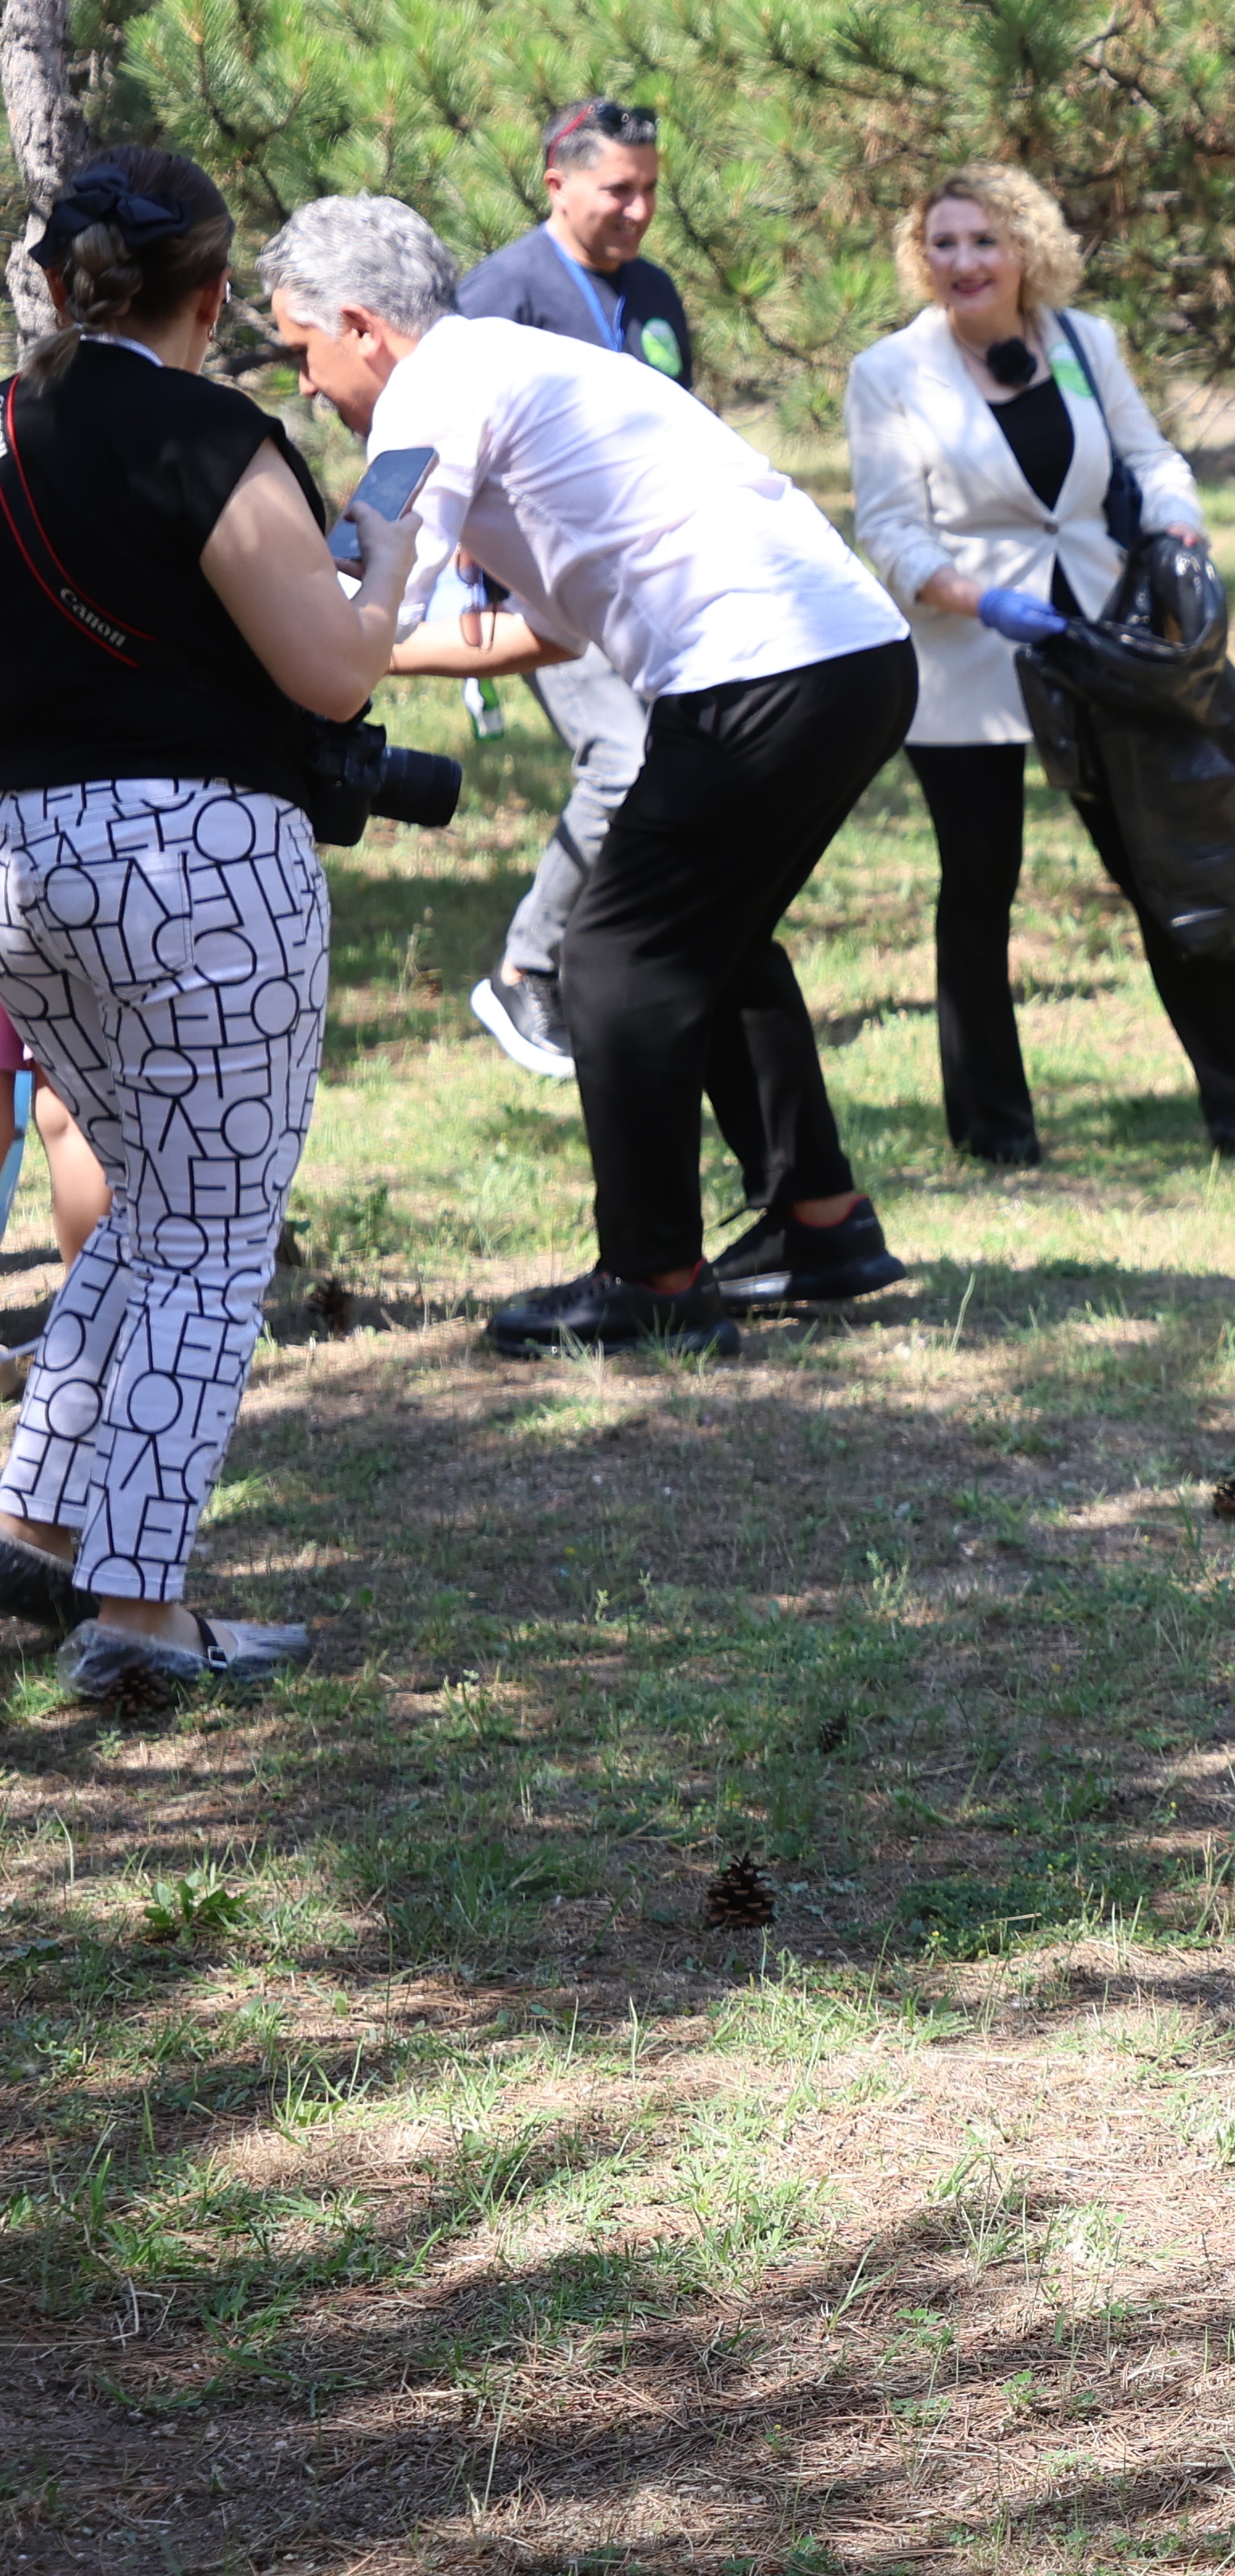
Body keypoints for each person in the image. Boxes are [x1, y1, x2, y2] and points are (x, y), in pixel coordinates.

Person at [267, 197, 922, 1356]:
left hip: (757, 671)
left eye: (301, 353)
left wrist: (278, 648)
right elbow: (543, 635)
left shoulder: (427, 397)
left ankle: (656, 1277)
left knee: (613, 960)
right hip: (848, 659)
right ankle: (822, 1223)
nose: (308, 389)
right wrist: (356, 647)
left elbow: (373, 570)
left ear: (361, 326)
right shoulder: (518, 367)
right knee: (711, 945)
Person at [0, 152, 425, 1695]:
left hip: (22, 859)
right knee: (211, 1236)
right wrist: (385, 548)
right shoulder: (207, 432)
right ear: (218, 296)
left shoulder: (4, 428)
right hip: (197, 859)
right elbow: (332, 670)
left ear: (58, 283)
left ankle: (39, 1529)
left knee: (154, 1199)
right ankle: (141, 1619)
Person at [845, 164, 1235, 1163]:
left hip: (1103, 639)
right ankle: (993, 1125)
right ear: (920, 258)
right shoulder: (891, 373)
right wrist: (984, 602)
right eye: (943, 243)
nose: (963, 261)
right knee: (981, 885)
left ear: (1027, 249)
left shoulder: (1082, 345)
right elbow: (890, 533)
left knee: (1160, 860)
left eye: (984, 241)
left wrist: (1181, 526)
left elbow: (1149, 460)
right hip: (970, 661)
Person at [449, 100, 698, 1087]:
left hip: (657, 575)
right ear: (557, 183)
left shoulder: (656, 291)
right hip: (549, 583)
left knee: (680, 764)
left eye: (650, 190)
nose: (638, 211)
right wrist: (465, 572)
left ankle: (625, 966)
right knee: (626, 765)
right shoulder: (503, 292)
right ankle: (525, 965)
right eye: (618, 190)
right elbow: (444, 439)